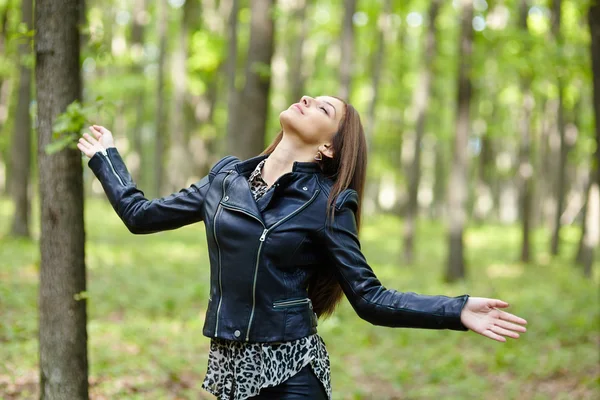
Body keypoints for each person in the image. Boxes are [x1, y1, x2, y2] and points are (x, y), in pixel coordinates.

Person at [78, 95, 527, 400]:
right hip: (229, 373)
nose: (308, 98)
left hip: (293, 376)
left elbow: (370, 298)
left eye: (324, 106)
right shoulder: (225, 178)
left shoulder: (328, 204)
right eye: (310, 95)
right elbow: (141, 216)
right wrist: (107, 157)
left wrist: (458, 310)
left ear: (330, 145)